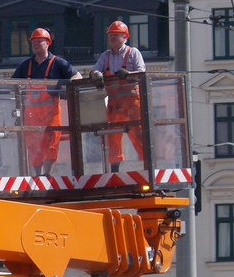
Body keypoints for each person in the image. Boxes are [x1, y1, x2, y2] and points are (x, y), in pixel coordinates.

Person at [12, 28, 81, 175]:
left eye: (39, 41)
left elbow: (77, 76)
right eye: (33, 42)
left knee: (51, 144)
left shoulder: (58, 63)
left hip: (51, 116)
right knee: (33, 146)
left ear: (48, 43)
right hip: (31, 116)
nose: (36, 44)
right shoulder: (25, 66)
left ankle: (47, 174)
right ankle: (38, 175)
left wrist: (66, 86)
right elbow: (12, 84)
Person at [92, 20, 147, 171]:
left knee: (139, 135)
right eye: (111, 35)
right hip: (114, 105)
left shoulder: (133, 53)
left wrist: (129, 74)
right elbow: (94, 70)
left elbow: (142, 73)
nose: (112, 37)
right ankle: (115, 170)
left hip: (132, 104)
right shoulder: (105, 56)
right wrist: (96, 75)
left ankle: (147, 167)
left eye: (116, 34)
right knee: (112, 137)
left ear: (125, 37)